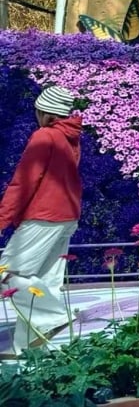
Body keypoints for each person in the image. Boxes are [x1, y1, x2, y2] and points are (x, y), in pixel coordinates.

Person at [0, 85, 83, 357]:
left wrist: (2, 218)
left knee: (7, 272)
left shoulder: (44, 136)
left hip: (44, 215)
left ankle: (54, 317)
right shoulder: (71, 138)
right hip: (67, 215)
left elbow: (24, 182)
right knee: (44, 283)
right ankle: (28, 348)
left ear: (46, 114)